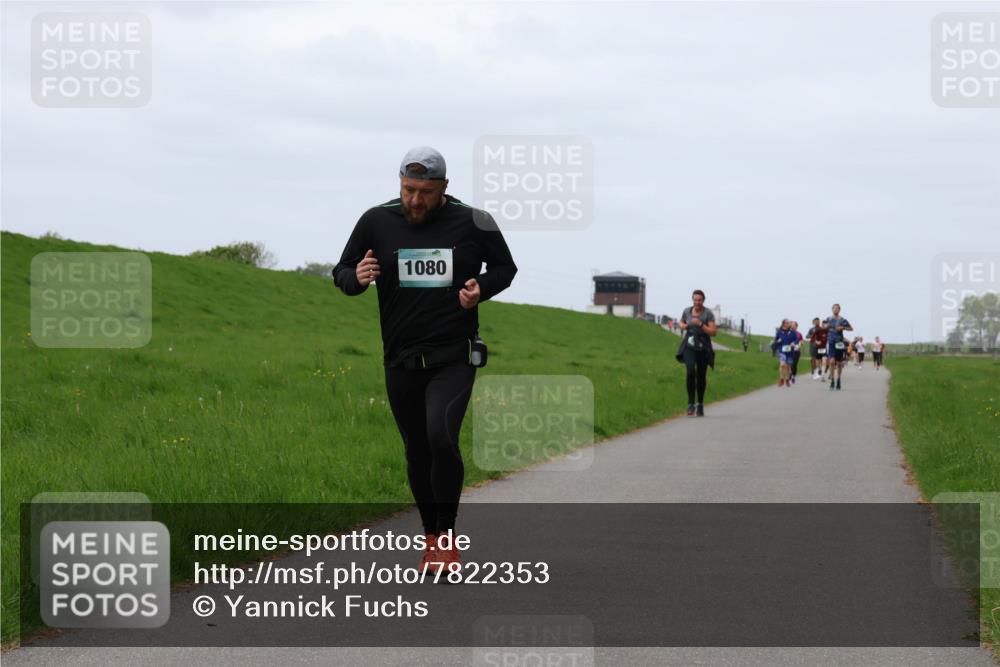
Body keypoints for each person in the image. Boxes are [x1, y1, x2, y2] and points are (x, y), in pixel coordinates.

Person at [332, 146, 517, 572]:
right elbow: (341, 270)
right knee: (417, 449)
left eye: (425, 192)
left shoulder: (474, 221)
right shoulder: (376, 220)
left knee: (441, 437)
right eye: (408, 190)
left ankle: (447, 539)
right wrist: (355, 278)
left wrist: (481, 289)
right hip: (400, 359)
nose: (415, 200)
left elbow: (505, 269)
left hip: (453, 356)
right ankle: (430, 536)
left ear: (444, 187)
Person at [675, 290, 717, 416]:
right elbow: (681, 322)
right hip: (689, 345)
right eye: (695, 300)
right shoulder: (687, 311)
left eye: (699, 300)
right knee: (690, 372)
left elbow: (713, 332)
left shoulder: (708, 313)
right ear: (692, 300)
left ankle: (700, 404)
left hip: (703, 347)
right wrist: (683, 326)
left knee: (701, 376)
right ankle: (690, 404)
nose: (697, 302)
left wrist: (701, 324)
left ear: (703, 300)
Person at [822, 303, 853, 391]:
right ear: (832, 309)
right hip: (831, 342)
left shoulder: (843, 320)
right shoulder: (828, 318)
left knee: (839, 363)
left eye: (837, 308)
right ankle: (832, 380)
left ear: (839, 310)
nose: (835, 309)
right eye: (834, 308)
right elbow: (823, 327)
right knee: (831, 362)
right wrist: (826, 326)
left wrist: (843, 328)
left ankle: (838, 380)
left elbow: (851, 328)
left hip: (839, 342)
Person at [773, 319, 798, 387]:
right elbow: (776, 340)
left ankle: (787, 379)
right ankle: (781, 379)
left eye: (789, 323)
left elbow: (796, 340)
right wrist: (778, 341)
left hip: (790, 352)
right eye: (788, 323)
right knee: (782, 365)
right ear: (784, 324)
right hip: (782, 351)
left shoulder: (792, 332)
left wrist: (794, 343)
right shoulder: (779, 332)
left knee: (788, 367)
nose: (789, 324)